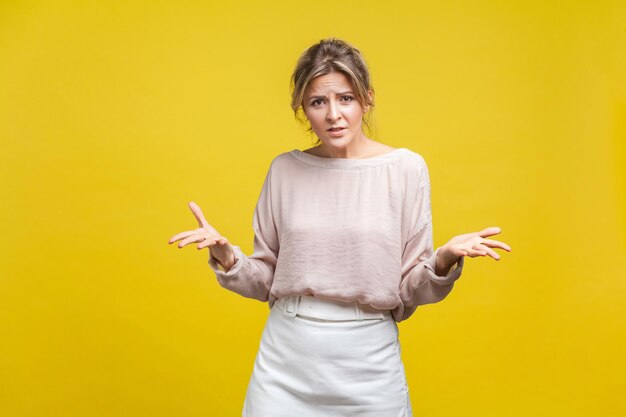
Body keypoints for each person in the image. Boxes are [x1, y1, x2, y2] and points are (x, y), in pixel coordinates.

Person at [168, 37, 511, 417]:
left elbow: (409, 289)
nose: (334, 114)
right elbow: (267, 278)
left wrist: (443, 260)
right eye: (319, 102)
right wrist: (227, 256)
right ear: (303, 107)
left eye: (345, 98)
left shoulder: (406, 169)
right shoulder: (285, 169)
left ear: (367, 98)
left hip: (369, 362)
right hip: (287, 360)